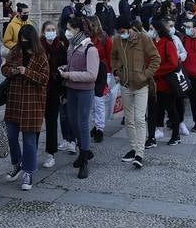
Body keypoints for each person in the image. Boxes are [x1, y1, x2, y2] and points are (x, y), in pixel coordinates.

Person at [2, 24, 49, 190]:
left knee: (29, 141)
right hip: (15, 101)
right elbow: (4, 68)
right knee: (11, 136)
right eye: (21, 39)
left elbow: (44, 78)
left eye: (26, 40)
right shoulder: (15, 50)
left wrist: (26, 72)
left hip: (32, 103)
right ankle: (17, 163)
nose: (23, 42)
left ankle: (29, 171)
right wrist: (14, 70)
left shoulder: (40, 55)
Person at [111, 16, 159, 167]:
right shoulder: (117, 40)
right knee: (129, 120)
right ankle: (133, 148)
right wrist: (117, 72)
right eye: (118, 32)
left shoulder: (143, 38)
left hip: (141, 85)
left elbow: (155, 58)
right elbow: (113, 57)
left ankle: (140, 153)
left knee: (139, 119)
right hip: (125, 84)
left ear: (130, 28)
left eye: (123, 31)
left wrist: (145, 75)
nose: (121, 34)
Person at [59, 16, 99, 178]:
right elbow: (72, 65)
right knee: (72, 121)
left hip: (84, 90)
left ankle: (84, 161)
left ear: (78, 30)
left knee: (82, 122)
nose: (67, 32)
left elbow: (91, 75)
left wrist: (68, 74)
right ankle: (84, 151)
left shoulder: (90, 48)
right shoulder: (72, 45)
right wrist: (64, 69)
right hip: (71, 88)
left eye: (69, 29)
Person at [40, 21, 69, 167]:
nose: (51, 32)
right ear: (43, 31)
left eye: (53, 29)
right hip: (39, 90)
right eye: (48, 30)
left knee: (51, 122)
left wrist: (64, 93)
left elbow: (66, 68)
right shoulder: (38, 47)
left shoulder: (61, 48)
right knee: (36, 123)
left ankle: (50, 153)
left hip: (54, 89)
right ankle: (31, 152)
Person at [152, 20, 181, 145]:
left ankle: (176, 135)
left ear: (157, 30)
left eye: (152, 28)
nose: (150, 31)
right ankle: (157, 131)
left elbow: (173, 63)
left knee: (171, 109)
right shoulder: (153, 42)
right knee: (157, 109)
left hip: (167, 83)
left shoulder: (168, 43)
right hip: (155, 83)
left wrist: (156, 71)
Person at [88, 15, 112, 143]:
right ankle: (95, 124)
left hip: (103, 72)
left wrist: (112, 72)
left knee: (99, 101)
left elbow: (110, 54)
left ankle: (100, 128)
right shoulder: (87, 38)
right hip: (90, 71)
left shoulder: (103, 37)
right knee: (91, 101)